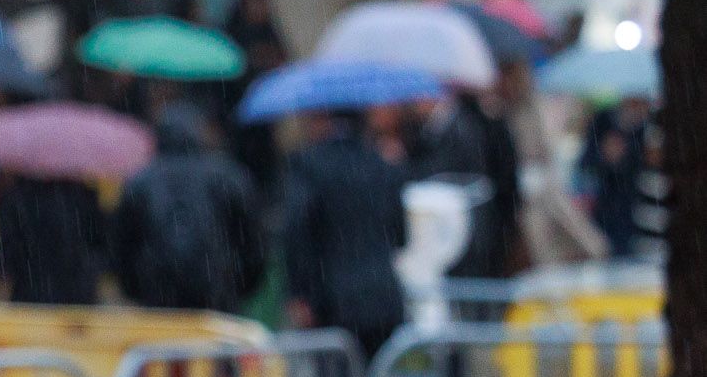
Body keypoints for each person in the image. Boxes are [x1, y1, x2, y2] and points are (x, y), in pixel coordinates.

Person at [111, 102, 266, 313]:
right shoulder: (228, 176)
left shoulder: (140, 182)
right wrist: (238, 287)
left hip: (158, 303)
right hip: (217, 301)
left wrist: (137, 290)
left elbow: (122, 249)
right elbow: (252, 244)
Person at [279, 111, 408, 357]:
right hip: (382, 298)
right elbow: (400, 235)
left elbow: (296, 232)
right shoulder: (383, 165)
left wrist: (299, 293)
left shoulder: (307, 165)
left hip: (331, 302)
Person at [416, 88, 523, 280]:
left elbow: (447, 174)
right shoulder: (438, 128)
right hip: (460, 228)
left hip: (468, 229)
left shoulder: (462, 126)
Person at [0, 172, 109, 306]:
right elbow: (100, 248)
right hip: (75, 297)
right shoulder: (84, 197)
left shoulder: (16, 198)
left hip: (29, 296)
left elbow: (6, 254)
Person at [217, 0, 290, 197]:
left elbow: (282, 61)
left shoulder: (269, 34)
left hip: (264, 119)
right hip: (236, 114)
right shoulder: (233, 34)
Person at [578, 97, 666, 258]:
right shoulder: (604, 120)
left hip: (645, 218)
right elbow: (585, 163)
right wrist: (604, 156)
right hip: (609, 218)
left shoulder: (654, 125)